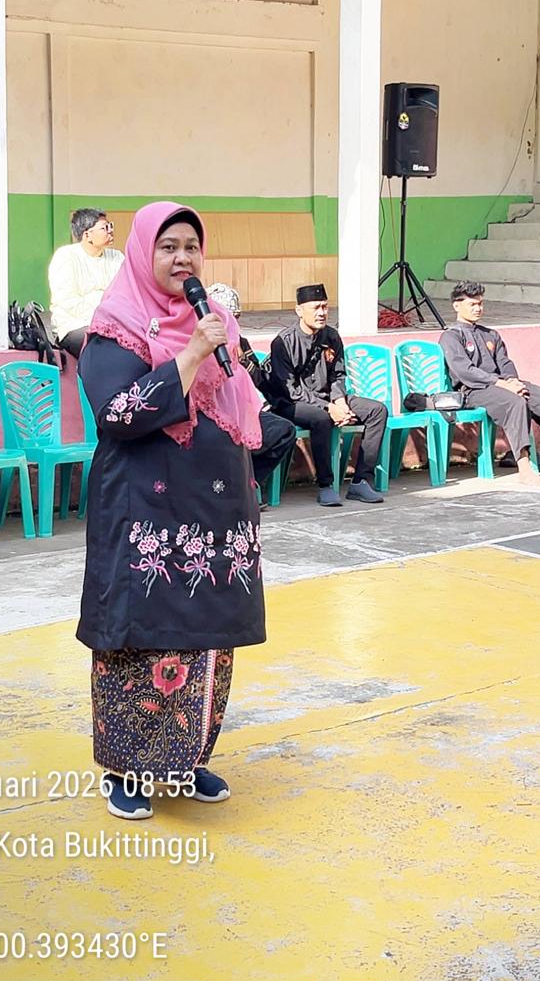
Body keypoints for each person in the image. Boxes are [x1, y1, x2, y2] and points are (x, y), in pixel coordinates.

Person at [78, 202, 265, 822]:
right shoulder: (116, 327)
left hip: (213, 511)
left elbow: (236, 403)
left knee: (206, 636)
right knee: (142, 636)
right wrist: (190, 356)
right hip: (144, 512)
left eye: (191, 247)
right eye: (168, 247)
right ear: (143, 253)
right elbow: (118, 413)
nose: (182, 258)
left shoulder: (215, 322)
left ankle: (187, 758)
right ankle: (127, 769)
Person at [440, 281, 540, 484]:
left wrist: (513, 382)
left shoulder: (490, 334)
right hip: (474, 390)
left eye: (480, 303)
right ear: (457, 306)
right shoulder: (451, 336)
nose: (478, 308)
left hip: (504, 385)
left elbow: (505, 363)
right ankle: (524, 468)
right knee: (515, 403)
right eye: (472, 304)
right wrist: (501, 384)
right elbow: (465, 372)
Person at [265, 284, 387, 507]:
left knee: (377, 411)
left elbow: (338, 374)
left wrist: (340, 401)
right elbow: (291, 389)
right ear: (299, 310)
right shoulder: (284, 342)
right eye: (315, 308)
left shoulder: (331, 336)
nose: (321, 313)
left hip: (329, 398)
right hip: (292, 403)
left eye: (325, 307)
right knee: (321, 418)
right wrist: (329, 407)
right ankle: (325, 485)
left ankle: (361, 481)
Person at [205, 282, 296, 500]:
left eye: (236, 317)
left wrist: (243, 360)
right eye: (227, 317)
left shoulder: (241, 342)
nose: (232, 323)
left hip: (245, 411)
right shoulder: (200, 344)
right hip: (214, 414)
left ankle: (247, 484)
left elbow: (260, 381)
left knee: (284, 431)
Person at [49, 208, 124, 358]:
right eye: (105, 228)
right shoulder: (66, 257)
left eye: (110, 226)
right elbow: (68, 301)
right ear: (87, 235)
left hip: (113, 324)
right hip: (74, 325)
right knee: (104, 348)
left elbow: (125, 295)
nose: (110, 231)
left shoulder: (117, 257)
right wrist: (102, 316)